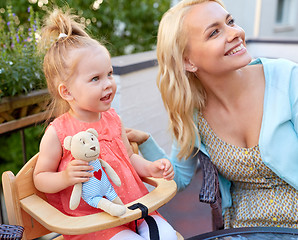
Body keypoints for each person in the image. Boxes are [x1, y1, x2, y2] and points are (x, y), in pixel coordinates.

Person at [126, 0, 298, 230]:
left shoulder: (288, 79)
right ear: (188, 61)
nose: (235, 33)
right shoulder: (192, 114)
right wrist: (146, 143)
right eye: (214, 32)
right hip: (244, 231)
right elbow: (178, 179)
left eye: (230, 22)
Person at [33, 8, 177, 240]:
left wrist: (149, 168)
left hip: (133, 207)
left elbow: (128, 158)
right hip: (94, 222)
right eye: (95, 79)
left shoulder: (113, 119)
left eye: (109, 74)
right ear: (67, 91)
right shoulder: (58, 132)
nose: (108, 84)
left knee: (167, 236)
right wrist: (66, 177)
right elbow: (40, 178)